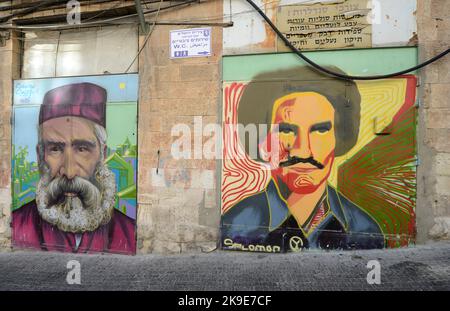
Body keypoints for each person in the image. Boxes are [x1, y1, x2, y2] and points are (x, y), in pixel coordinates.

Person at [221, 66, 385, 252]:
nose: (304, 152)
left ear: (338, 139)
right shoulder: (235, 225)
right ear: (264, 142)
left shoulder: (363, 229)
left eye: (320, 130)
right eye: (287, 130)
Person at [12, 83, 136, 254]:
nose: (69, 173)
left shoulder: (128, 231)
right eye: (55, 149)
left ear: (102, 154)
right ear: (41, 155)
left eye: (82, 149)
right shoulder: (18, 224)